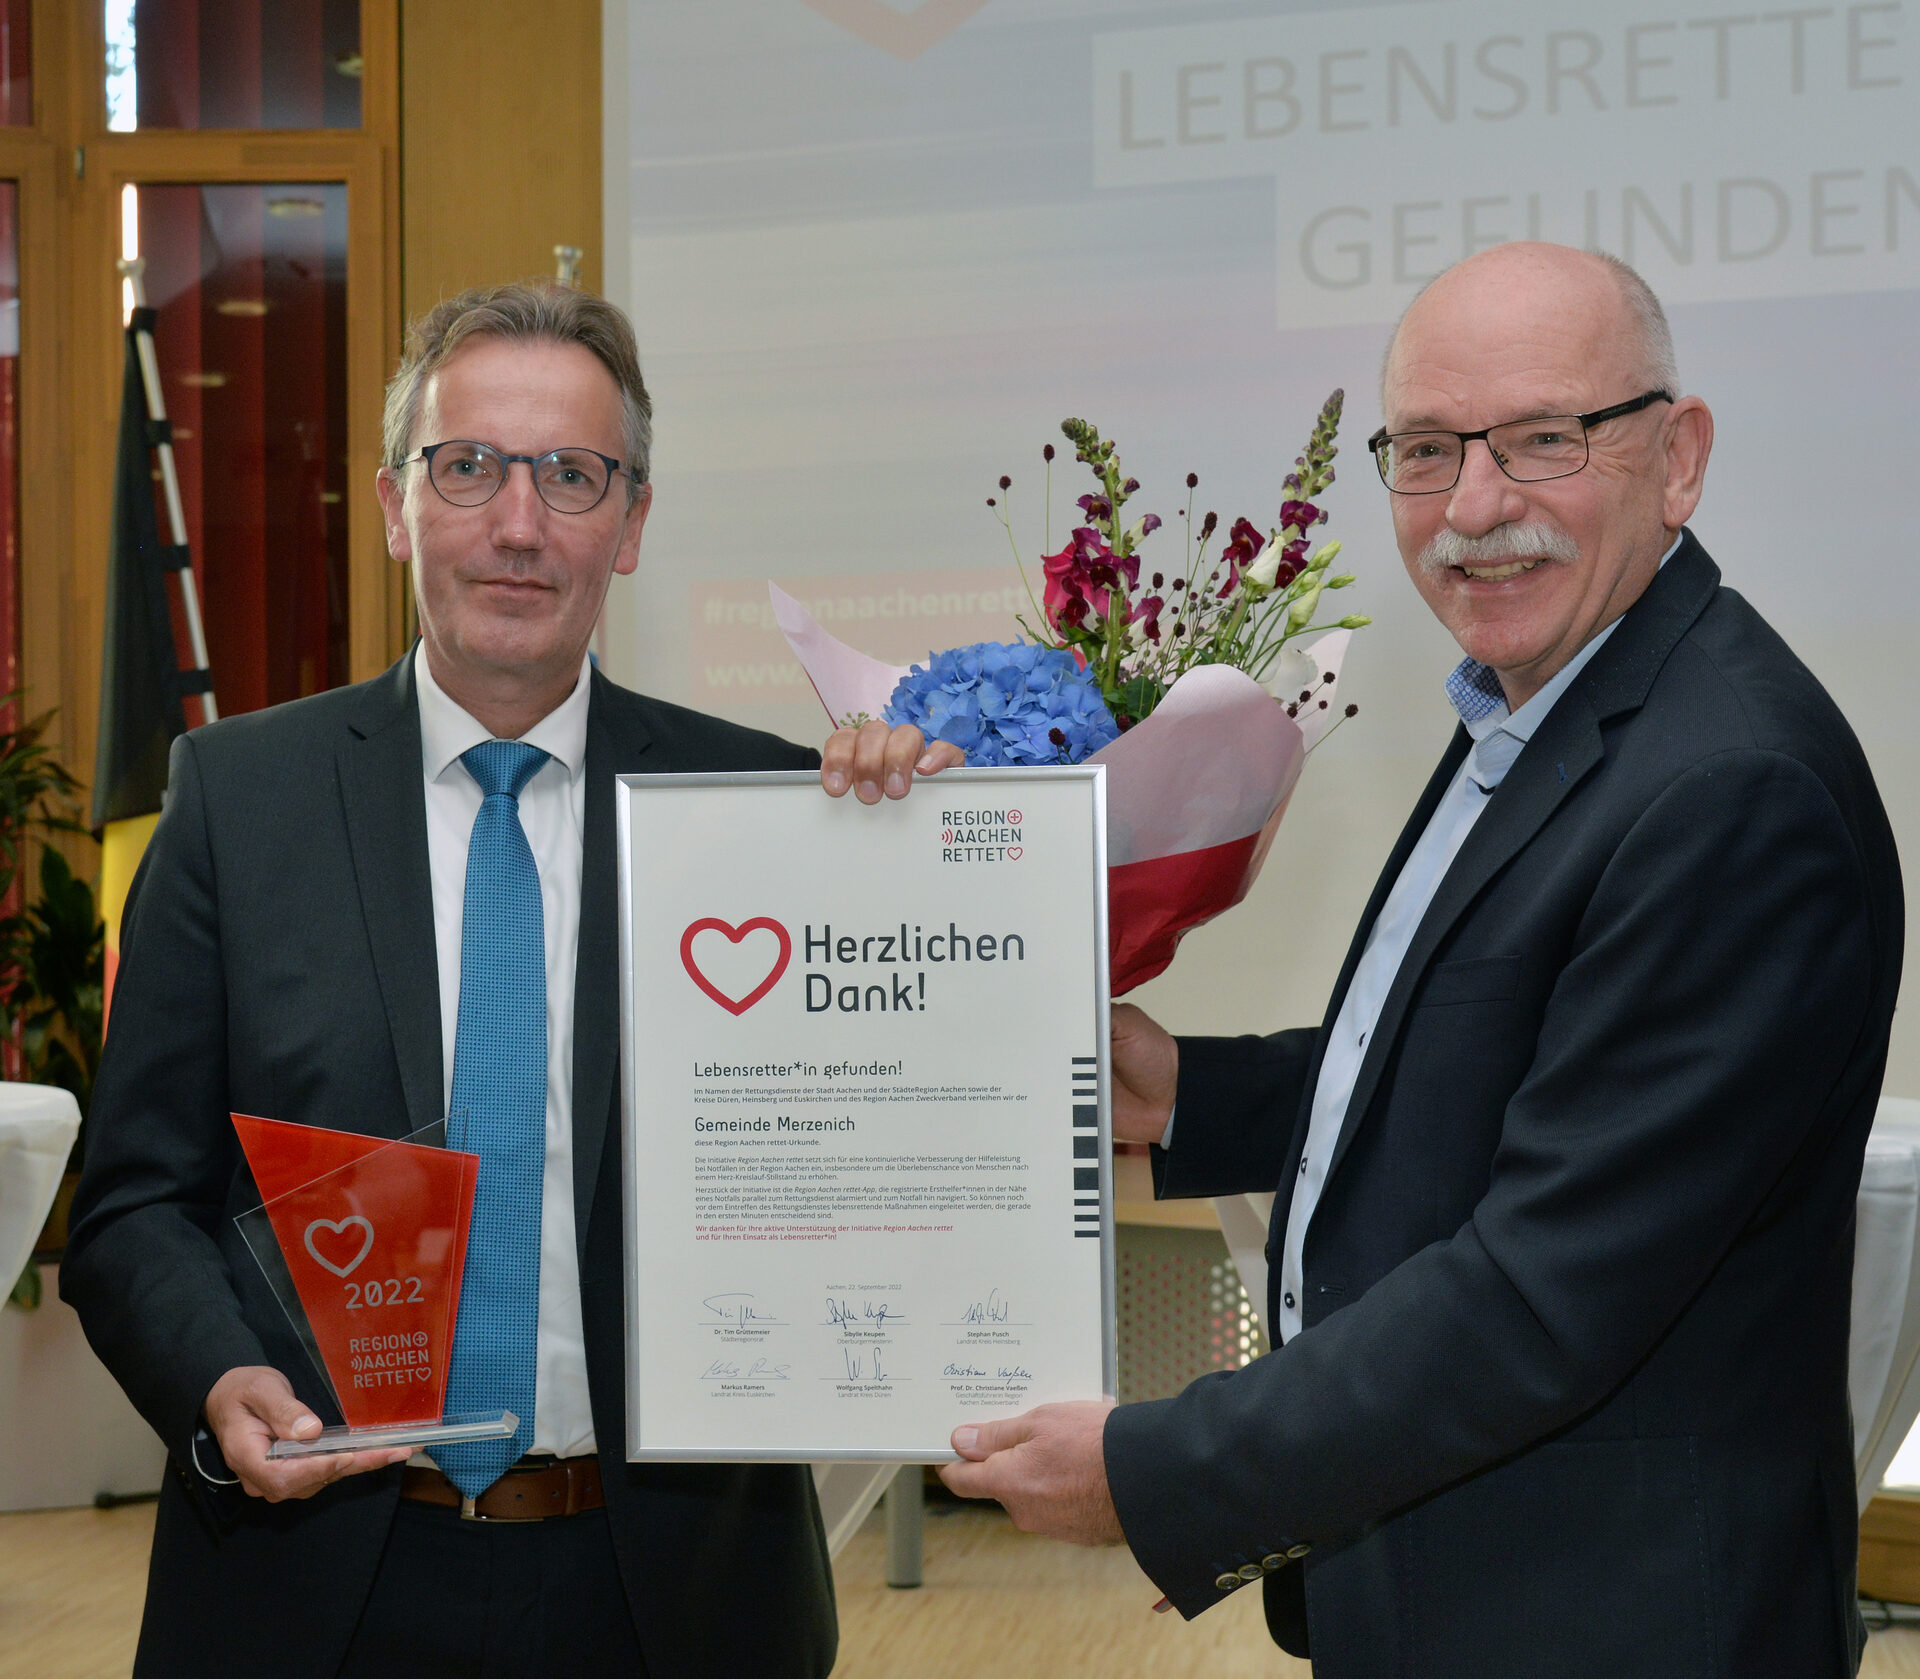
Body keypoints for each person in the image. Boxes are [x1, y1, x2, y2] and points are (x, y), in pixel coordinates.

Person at [941, 242, 1905, 1678]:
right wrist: (1194, 1093)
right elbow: (1497, 1061)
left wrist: (1157, 1473)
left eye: (1544, 439)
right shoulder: (1553, 700)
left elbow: (1539, 1293)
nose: (1474, 508)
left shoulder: (1729, 786)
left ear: (1679, 458)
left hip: (1607, 1623)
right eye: (1430, 449)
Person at [61, 280, 956, 1679]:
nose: (520, 524)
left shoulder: (766, 811)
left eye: (573, 476)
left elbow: (902, 1137)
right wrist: (220, 1376)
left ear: (633, 524)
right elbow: (133, 1204)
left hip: (672, 1594)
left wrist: (926, 848)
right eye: (469, 466)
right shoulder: (239, 801)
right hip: (313, 1585)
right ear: (395, 506)